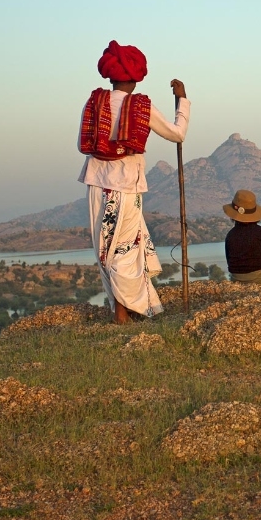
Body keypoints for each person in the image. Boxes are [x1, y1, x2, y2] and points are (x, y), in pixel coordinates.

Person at [78, 40, 190, 324]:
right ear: (136, 77)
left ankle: (124, 307)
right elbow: (177, 134)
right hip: (126, 185)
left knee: (106, 249)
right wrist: (183, 101)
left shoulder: (94, 103)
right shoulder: (141, 106)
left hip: (96, 183)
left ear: (111, 75)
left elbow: (84, 142)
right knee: (125, 248)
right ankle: (122, 312)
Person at [223, 190, 261, 286]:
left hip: (236, 279)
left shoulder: (230, 235)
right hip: (259, 278)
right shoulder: (260, 232)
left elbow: (229, 261)